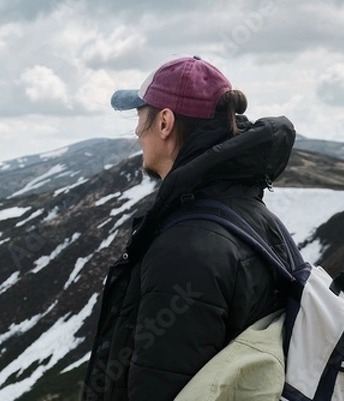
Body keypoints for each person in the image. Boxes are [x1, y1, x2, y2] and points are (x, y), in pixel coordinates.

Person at [81, 56, 296, 400]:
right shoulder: (252, 215)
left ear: (164, 121)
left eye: (140, 115)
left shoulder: (185, 249)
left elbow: (160, 385)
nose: (137, 131)